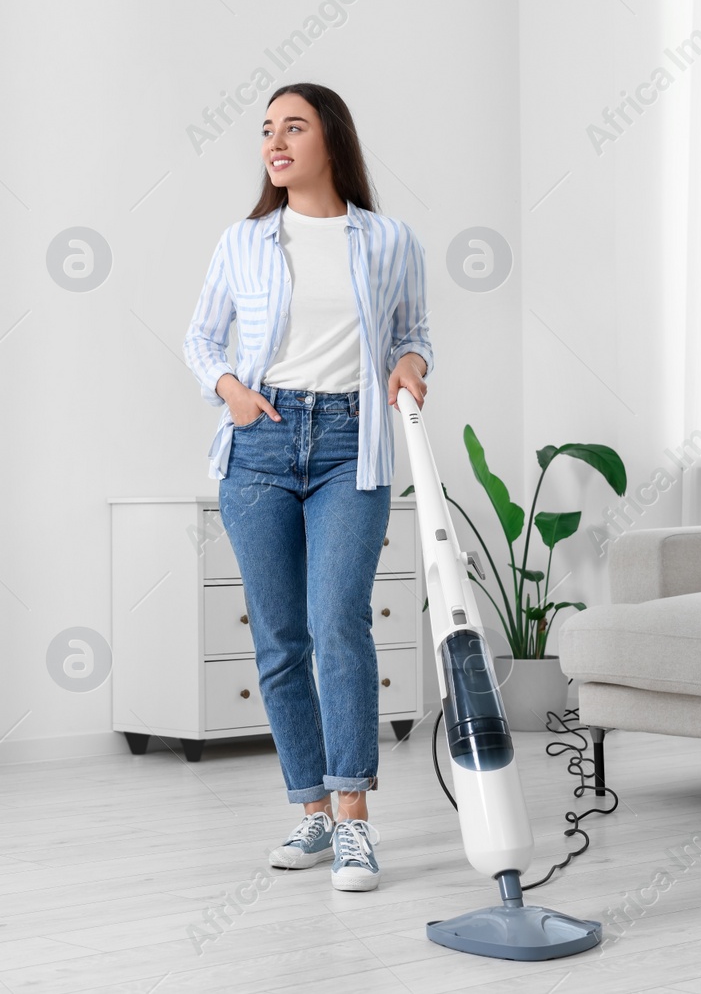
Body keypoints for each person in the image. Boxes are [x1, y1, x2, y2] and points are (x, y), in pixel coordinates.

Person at [182, 82, 432, 892]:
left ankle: (356, 821)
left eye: (293, 126)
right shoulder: (245, 240)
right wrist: (230, 392)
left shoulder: (390, 239)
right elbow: (201, 335)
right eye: (265, 130)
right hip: (259, 443)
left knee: (339, 623)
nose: (275, 141)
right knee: (281, 641)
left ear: (331, 139)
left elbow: (413, 332)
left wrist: (410, 364)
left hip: (349, 448)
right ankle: (314, 811)